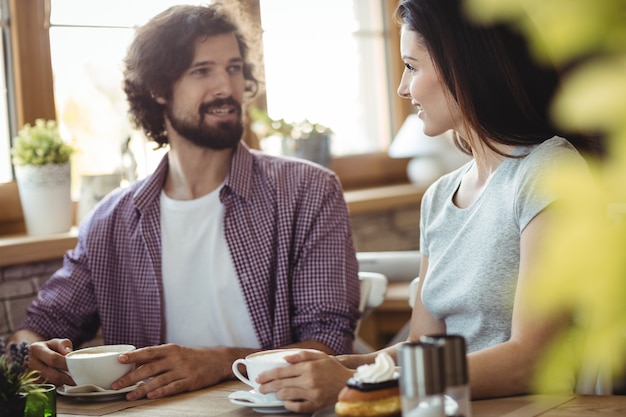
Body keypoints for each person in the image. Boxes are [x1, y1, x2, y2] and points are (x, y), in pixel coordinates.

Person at [255, 0, 598, 412]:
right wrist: (350, 366)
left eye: (412, 66)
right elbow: (421, 347)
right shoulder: (438, 197)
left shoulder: (548, 170)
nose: (402, 87)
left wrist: (355, 384)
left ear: (463, 67)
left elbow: (529, 360)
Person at [8, 3, 360, 401]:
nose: (226, 87)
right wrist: (31, 353)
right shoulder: (110, 221)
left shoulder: (308, 191)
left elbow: (329, 345)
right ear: (158, 88)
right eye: (202, 71)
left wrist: (220, 363)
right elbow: (38, 327)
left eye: (233, 67)